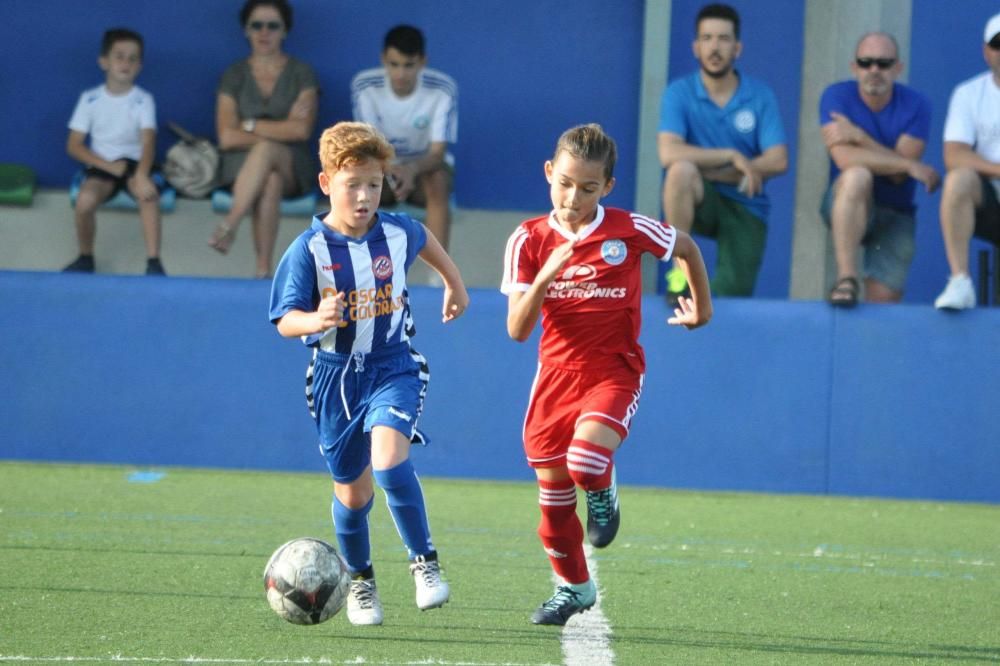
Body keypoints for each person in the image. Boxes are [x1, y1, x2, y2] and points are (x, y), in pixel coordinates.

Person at [501, 124, 712, 626]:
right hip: (554, 380)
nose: (574, 197)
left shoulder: (628, 228)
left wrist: (700, 307)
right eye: (566, 183)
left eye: (588, 188)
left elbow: (686, 248)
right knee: (552, 510)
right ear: (550, 173)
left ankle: (603, 492)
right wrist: (547, 274)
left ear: (608, 188)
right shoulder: (527, 239)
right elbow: (516, 329)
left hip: (612, 372)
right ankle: (574, 589)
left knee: (587, 460)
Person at [269, 121, 469, 626]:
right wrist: (316, 320)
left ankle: (424, 563)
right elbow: (284, 320)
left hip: (393, 366)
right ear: (325, 183)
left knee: (388, 461)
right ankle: (360, 581)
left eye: (373, 185)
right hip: (335, 378)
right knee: (354, 496)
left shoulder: (397, 231)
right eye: (351, 185)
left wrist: (454, 285)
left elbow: (428, 242)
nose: (363, 197)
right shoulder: (309, 250)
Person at [658, 3, 787, 302]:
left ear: (737, 48)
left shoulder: (759, 94)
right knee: (680, 172)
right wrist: (731, 156)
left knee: (731, 298)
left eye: (723, 39)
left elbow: (779, 159)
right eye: (707, 38)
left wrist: (723, 172)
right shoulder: (679, 92)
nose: (714, 47)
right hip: (702, 197)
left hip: (746, 202)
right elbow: (668, 153)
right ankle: (679, 273)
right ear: (695, 47)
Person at [819, 32, 939, 307]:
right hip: (846, 202)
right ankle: (846, 278)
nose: (874, 70)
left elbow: (897, 177)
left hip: (896, 212)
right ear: (854, 67)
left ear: (898, 68)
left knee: (882, 310)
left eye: (884, 64)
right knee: (857, 175)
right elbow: (845, 159)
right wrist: (908, 164)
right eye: (866, 62)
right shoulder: (836, 96)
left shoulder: (917, 105)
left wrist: (859, 136)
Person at [209, 0, 319, 279]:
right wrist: (282, 125)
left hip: (292, 164)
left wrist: (249, 125)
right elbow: (226, 137)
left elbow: (301, 132)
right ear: (246, 30)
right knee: (270, 179)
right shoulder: (234, 75)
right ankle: (263, 271)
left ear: (285, 31)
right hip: (240, 166)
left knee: (269, 151)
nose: (264, 32)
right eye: (256, 25)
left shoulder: (301, 73)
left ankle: (231, 223)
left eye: (273, 26)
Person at [63, 28, 166, 276]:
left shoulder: (144, 99)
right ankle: (85, 257)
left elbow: (149, 141)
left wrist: (141, 174)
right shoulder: (90, 99)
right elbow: (74, 145)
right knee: (85, 201)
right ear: (104, 61)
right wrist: (108, 166)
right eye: (119, 56)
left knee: (148, 196)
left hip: (134, 165)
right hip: (103, 166)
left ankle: (154, 263)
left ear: (140, 66)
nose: (125, 63)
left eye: (132, 58)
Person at [351, 25, 457, 251]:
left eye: (409, 65)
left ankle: (438, 277)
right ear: (383, 60)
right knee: (357, 179)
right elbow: (369, 147)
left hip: (423, 171)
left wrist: (411, 170)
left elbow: (437, 153)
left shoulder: (443, 88)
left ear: (422, 62)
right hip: (380, 167)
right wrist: (392, 168)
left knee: (437, 179)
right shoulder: (364, 85)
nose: (401, 74)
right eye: (394, 64)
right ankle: (361, 268)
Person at [933, 13, 1000, 311]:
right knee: (958, 179)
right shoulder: (969, 93)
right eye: (998, 45)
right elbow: (954, 155)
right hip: (992, 202)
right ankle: (960, 281)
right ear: (986, 52)